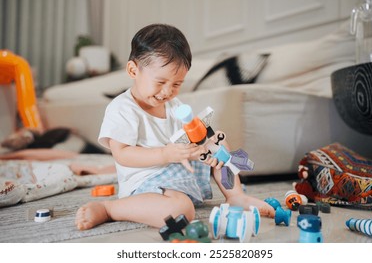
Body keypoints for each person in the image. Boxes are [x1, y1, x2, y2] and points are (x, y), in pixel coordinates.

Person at [75, 24, 275, 231]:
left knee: (219, 142)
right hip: (145, 184)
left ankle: (235, 196)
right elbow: (122, 154)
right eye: (160, 82)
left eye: (177, 84)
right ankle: (110, 209)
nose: (168, 91)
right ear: (133, 70)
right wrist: (164, 154)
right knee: (181, 211)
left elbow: (188, 139)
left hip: (178, 174)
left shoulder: (175, 106)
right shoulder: (122, 108)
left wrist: (203, 146)